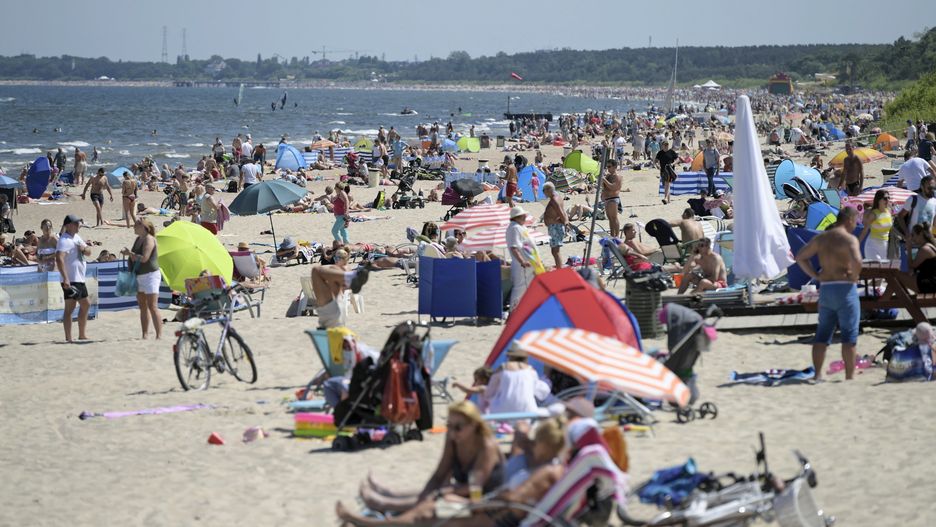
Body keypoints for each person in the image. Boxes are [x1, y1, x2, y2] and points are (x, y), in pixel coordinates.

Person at [345, 400, 505, 519]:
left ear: (474, 425)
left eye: (458, 427)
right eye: (449, 425)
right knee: (434, 492)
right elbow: (439, 474)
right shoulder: (453, 438)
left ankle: (384, 503)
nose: (452, 432)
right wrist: (427, 493)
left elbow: (474, 488)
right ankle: (388, 494)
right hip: (466, 492)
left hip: (486, 500)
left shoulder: (486, 446)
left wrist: (438, 493)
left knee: (441, 495)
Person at [795, 207, 862, 381]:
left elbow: (800, 257)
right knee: (849, 335)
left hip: (826, 288)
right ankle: (849, 377)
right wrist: (854, 276)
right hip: (845, 288)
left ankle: (817, 374)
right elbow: (857, 261)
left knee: (822, 334)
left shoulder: (822, 238)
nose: (855, 225)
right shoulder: (849, 239)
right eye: (855, 222)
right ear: (849, 220)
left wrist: (815, 275)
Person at [120, 219, 162, 339]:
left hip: (150, 275)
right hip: (139, 275)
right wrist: (129, 256)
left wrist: (130, 254)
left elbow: (144, 258)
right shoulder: (138, 239)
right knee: (142, 306)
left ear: (144, 227)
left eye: (136, 225)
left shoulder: (149, 239)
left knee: (152, 306)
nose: (134, 226)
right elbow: (135, 257)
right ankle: (145, 334)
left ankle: (159, 335)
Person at [309, 250, 369, 329]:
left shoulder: (336, 268)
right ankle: (351, 276)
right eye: (335, 258)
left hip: (332, 308)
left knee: (315, 271)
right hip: (338, 304)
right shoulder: (344, 268)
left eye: (337, 258)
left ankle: (351, 277)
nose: (336, 260)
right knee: (316, 271)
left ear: (343, 259)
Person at [56, 214, 92, 342]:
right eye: (76, 223)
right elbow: (59, 259)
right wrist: (65, 278)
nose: (78, 225)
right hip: (71, 279)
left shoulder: (76, 237)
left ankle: (81, 334)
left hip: (79, 278)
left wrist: (84, 249)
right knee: (71, 308)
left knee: (85, 305)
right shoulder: (64, 240)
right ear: (69, 225)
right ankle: (69, 337)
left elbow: (89, 252)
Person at [484, 343, 549, 414]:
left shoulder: (502, 368)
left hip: (502, 411)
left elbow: (489, 393)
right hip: (527, 410)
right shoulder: (531, 371)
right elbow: (541, 393)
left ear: (510, 356)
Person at [896, 175, 936, 258]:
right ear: (922, 187)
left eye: (934, 188)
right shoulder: (913, 199)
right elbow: (900, 216)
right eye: (929, 188)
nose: (932, 190)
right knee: (915, 265)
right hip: (914, 243)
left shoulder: (934, 202)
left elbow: (934, 223)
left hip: (928, 243)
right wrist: (907, 233)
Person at [506, 206, 536, 310]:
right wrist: (522, 261)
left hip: (527, 265)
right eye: (523, 216)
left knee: (527, 289)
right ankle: (513, 312)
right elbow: (514, 247)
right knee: (520, 289)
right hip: (522, 266)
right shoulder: (515, 228)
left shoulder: (519, 227)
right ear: (517, 217)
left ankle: (523, 312)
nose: (525, 217)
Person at [859, 189, 892, 260]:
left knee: (884, 267)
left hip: (885, 247)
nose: (887, 200)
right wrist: (857, 244)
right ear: (879, 200)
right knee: (876, 265)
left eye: (889, 198)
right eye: (885, 198)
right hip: (872, 246)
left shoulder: (889, 211)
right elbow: (865, 230)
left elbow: (892, 229)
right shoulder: (873, 214)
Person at [542, 182, 568, 269]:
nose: (543, 192)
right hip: (555, 226)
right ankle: (559, 268)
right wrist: (565, 222)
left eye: (544, 190)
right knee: (555, 250)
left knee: (555, 251)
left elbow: (561, 212)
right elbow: (563, 212)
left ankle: (559, 269)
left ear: (549, 190)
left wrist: (564, 222)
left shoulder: (554, 200)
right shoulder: (557, 197)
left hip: (555, 227)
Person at [601, 159, 622, 237]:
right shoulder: (608, 176)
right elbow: (604, 187)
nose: (608, 168)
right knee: (610, 218)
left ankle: (617, 235)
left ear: (615, 167)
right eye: (607, 167)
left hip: (613, 198)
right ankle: (612, 234)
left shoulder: (618, 177)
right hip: (607, 199)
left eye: (609, 166)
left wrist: (604, 180)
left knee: (614, 218)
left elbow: (614, 187)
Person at [656, 140, 679, 204]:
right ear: (662, 146)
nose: (666, 146)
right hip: (663, 171)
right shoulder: (660, 153)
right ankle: (668, 200)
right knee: (666, 185)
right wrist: (657, 165)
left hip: (670, 171)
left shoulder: (671, 152)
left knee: (667, 183)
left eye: (667, 145)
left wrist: (673, 163)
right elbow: (656, 161)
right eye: (665, 145)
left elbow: (677, 159)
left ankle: (665, 198)